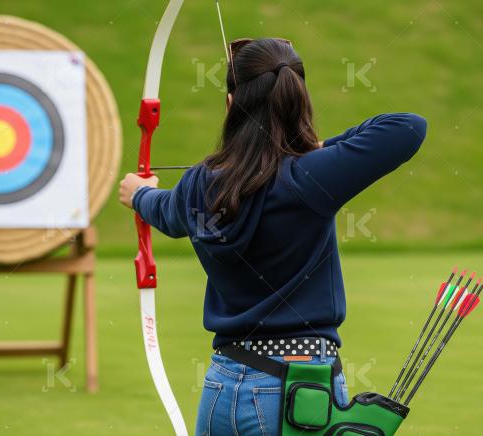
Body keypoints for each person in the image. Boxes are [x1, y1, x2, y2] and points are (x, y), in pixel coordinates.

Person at [119, 38, 426, 436]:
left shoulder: (198, 185)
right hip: (297, 394)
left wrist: (138, 194)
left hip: (220, 389)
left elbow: (167, 212)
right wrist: (320, 148)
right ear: (297, 101)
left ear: (231, 105)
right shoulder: (312, 178)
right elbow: (408, 127)